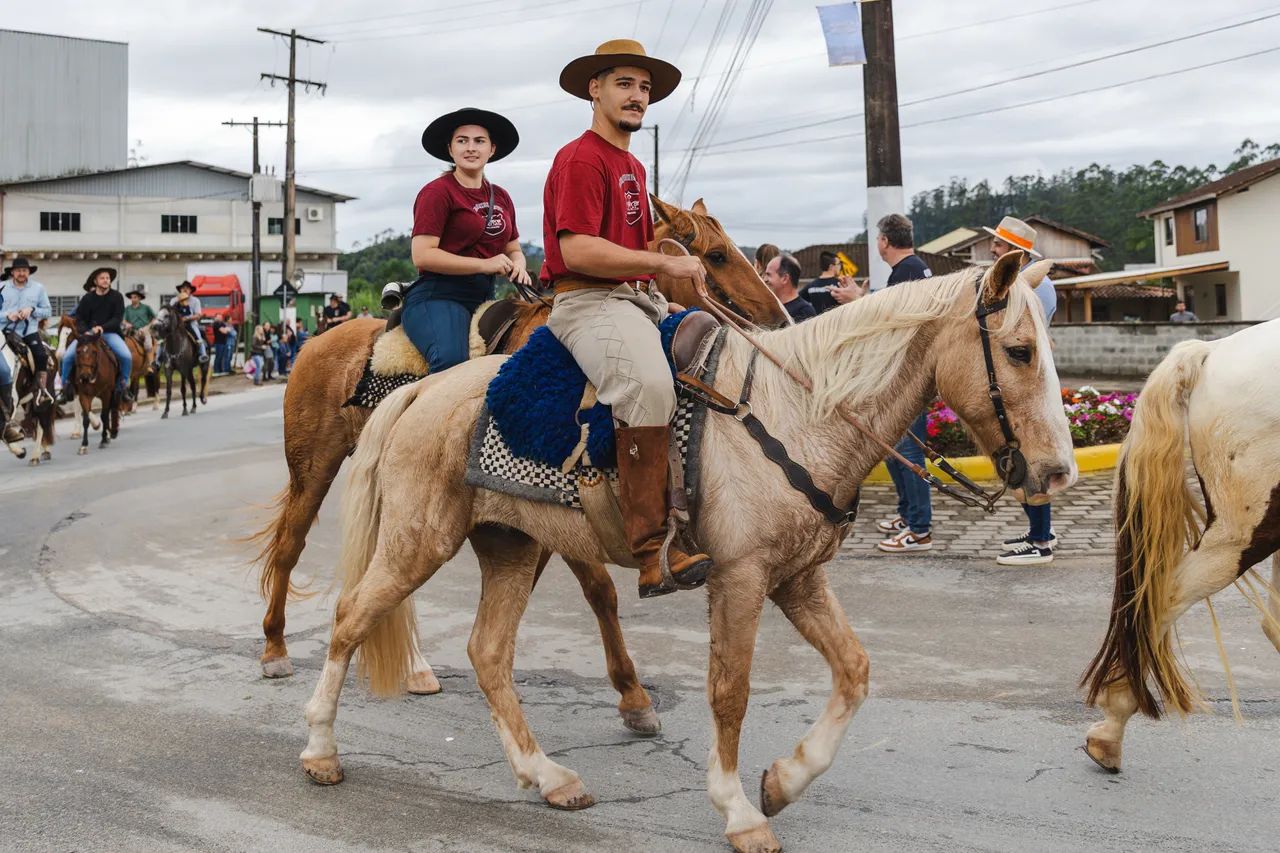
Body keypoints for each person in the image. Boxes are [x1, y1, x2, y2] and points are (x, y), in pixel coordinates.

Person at [542, 38, 712, 598]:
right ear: (595, 89)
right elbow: (580, 252)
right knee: (649, 385)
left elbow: (634, 250)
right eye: (625, 84)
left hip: (635, 299)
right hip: (586, 300)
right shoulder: (581, 157)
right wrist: (661, 259)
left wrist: (669, 273)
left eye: (644, 88)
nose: (637, 97)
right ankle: (650, 548)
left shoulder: (632, 164)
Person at [408, 107, 528, 373]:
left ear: (492, 149)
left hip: (486, 296)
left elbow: (513, 248)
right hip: (439, 297)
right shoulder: (437, 193)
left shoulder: (502, 196)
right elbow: (423, 255)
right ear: (450, 149)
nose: (470, 148)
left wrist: (518, 263)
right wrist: (485, 265)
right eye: (462, 141)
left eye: (479, 141)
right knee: (451, 361)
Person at [985, 216, 1058, 566]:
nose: (992, 249)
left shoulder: (1032, 289)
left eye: (998, 245)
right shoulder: (1032, 284)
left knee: (1031, 460)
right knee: (1022, 459)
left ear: (1015, 252)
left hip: (1026, 385)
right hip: (1027, 381)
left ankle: (1041, 541)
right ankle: (1038, 531)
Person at [871, 214, 936, 554]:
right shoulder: (913, 269)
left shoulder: (907, 273)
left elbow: (895, 325)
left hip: (906, 377)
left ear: (884, 241)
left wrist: (858, 301)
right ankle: (909, 514)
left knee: (908, 452)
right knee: (895, 450)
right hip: (908, 375)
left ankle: (920, 530)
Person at [57, 267, 133, 404]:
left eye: (108, 278)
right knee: (67, 356)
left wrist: (102, 328)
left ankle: (123, 386)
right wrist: (86, 330)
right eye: (102, 278)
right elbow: (79, 319)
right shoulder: (87, 298)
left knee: (126, 356)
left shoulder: (117, 297)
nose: (106, 280)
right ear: (95, 281)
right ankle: (64, 388)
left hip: (110, 333)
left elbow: (117, 318)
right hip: (88, 334)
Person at [1, 256, 54, 443]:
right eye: (18, 270)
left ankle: (41, 390)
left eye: (25, 270)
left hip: (28, 331)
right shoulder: (3, 288)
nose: (21, 273)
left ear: (29, 272)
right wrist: (8, 314)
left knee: (40, 355)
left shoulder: (38, 288)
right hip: (5, 331)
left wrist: (32, 310)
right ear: (12, 272)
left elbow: (47, 310)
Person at [761, 253, 815, 323]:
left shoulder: (804, 312)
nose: (764, 279)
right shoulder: (770, 309)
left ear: (784, 278)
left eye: (768, 275)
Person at [165, 281, 210, 364]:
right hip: (176, 325)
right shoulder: (174, 300)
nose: (185, 290)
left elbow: (198, 315)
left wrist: (187, 318)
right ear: (180, 290)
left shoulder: (195, 300)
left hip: (190, 324)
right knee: (164, 338)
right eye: (183, 288)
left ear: (190, 290)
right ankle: (161, 359)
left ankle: (202, 354)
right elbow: (169, 313)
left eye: (187, 288)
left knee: (198, 337)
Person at [121, 284, 157, 373]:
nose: (133, 299)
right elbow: (123, 320)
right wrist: (127, 324)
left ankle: (150, 364)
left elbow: (154, 318)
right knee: (120, 339)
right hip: (131, 330)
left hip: (144, 329)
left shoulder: (146, 308)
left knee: (148, 344)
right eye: (132, 297)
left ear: (139, 298)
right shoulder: (127, 309)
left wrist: (147, 327)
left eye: (135, 297)